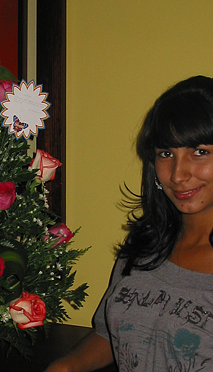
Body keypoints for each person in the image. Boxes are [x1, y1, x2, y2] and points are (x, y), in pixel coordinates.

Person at [45, 75, 213, 372]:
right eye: (166, 153)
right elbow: (112, 334)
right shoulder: (147, 245)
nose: (177, 174)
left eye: (199, 152)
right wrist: (68, 366)